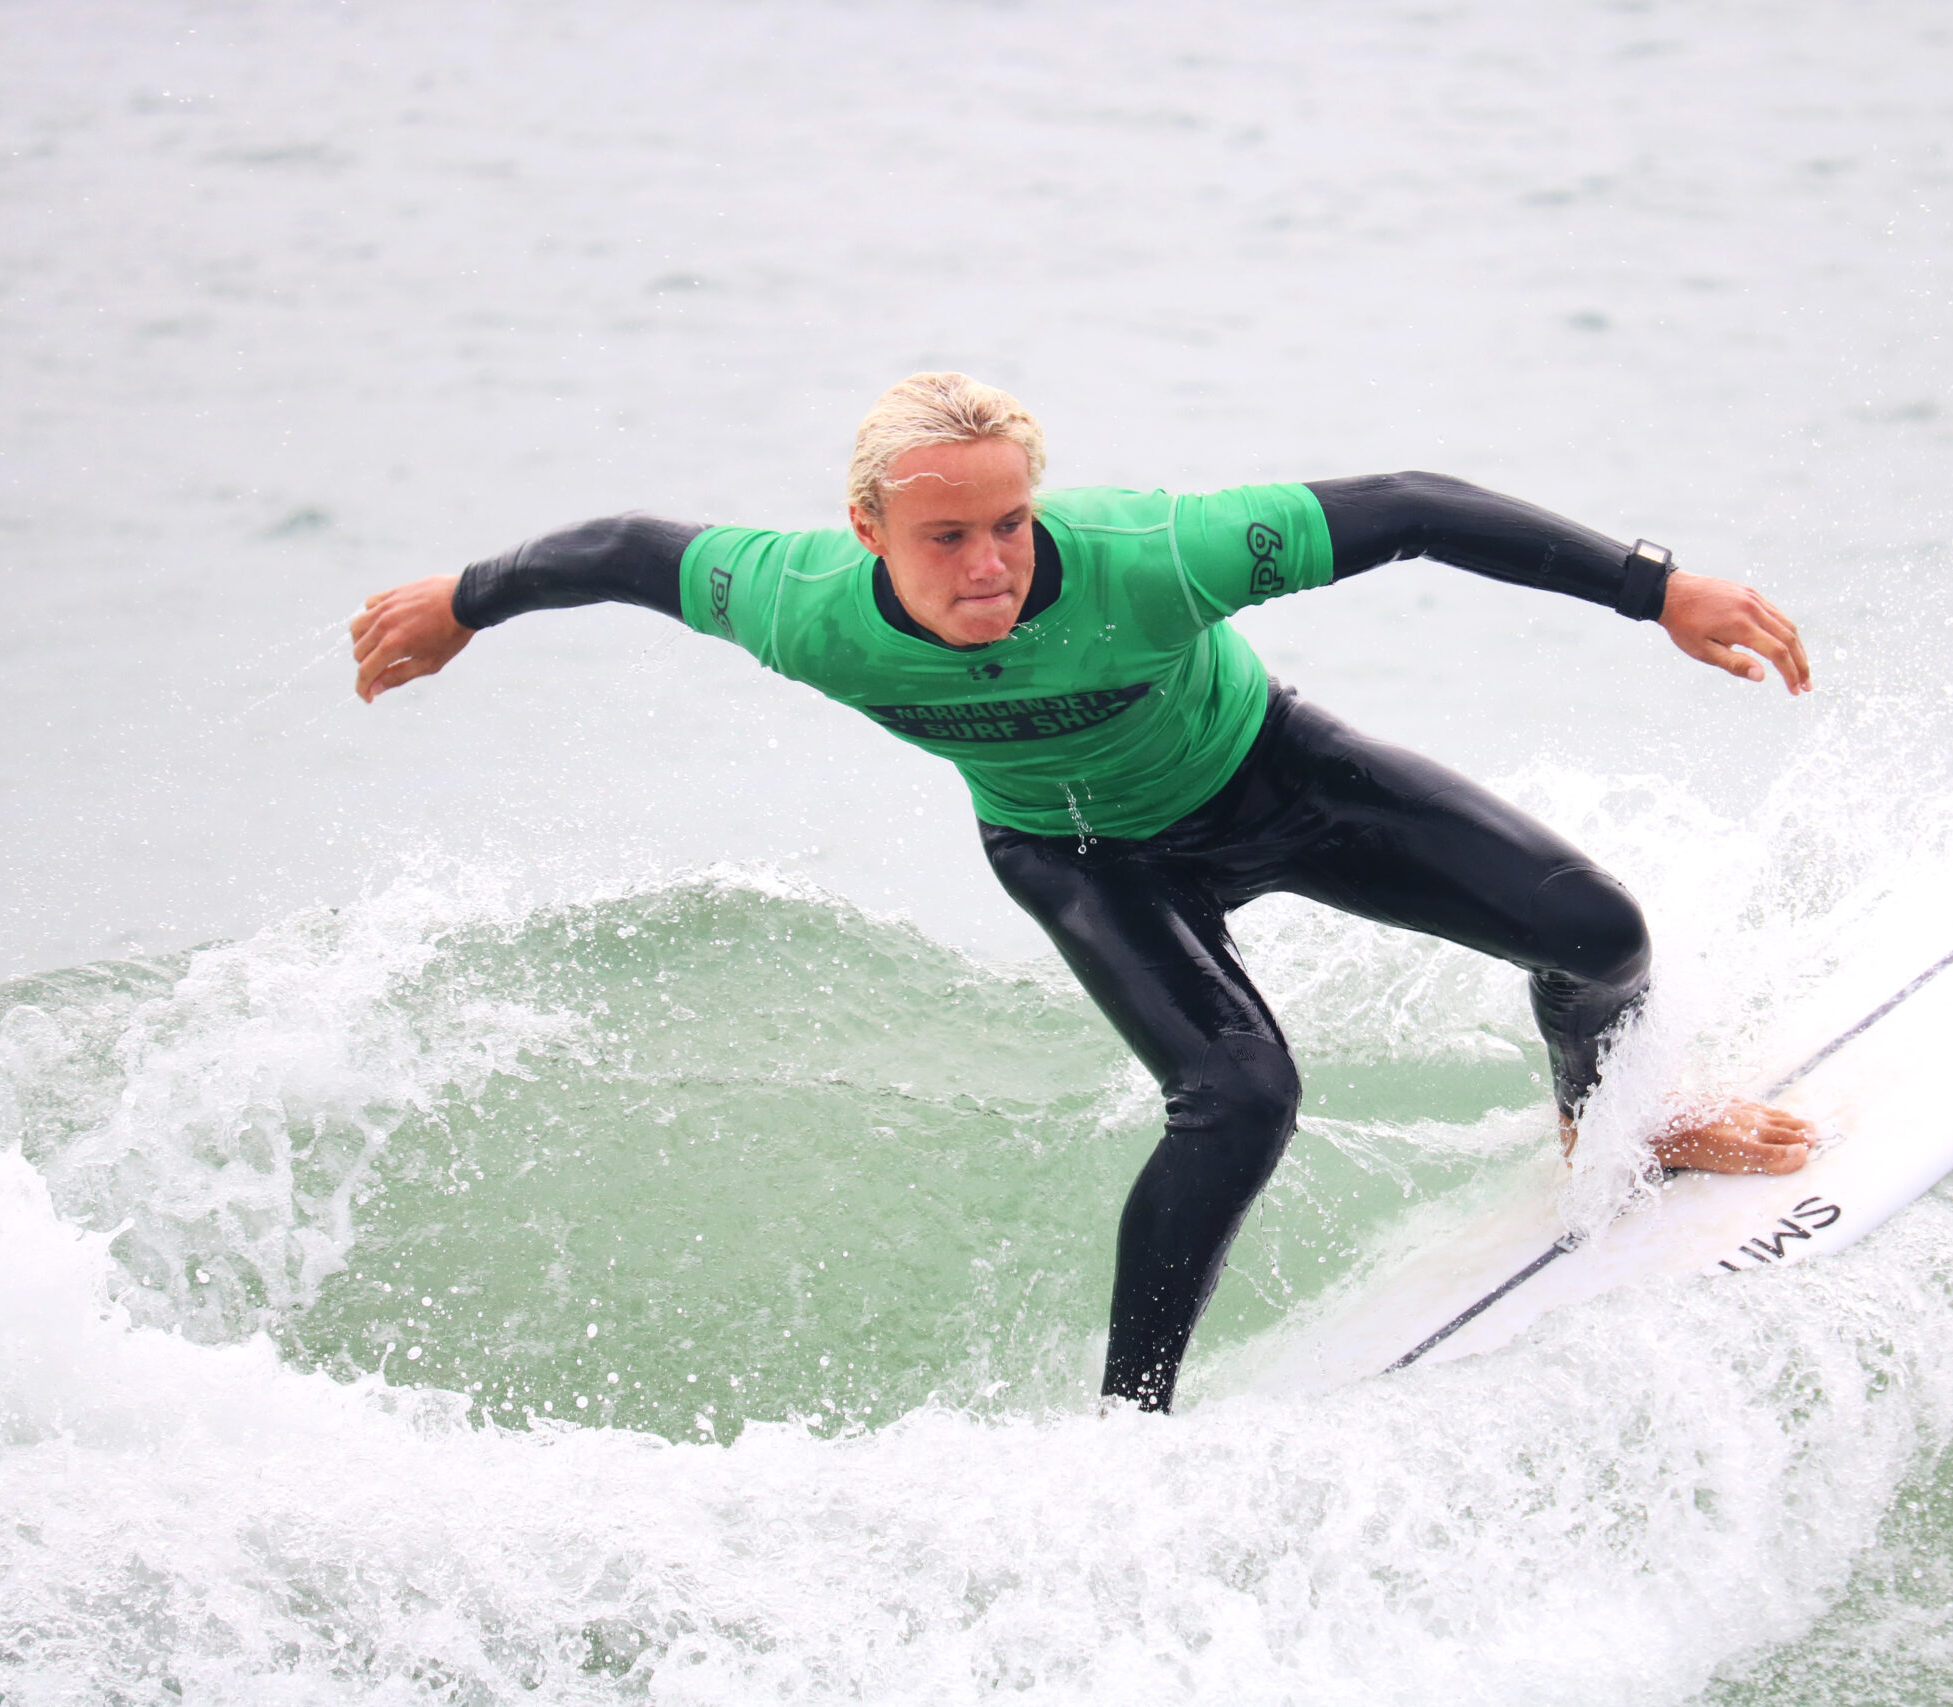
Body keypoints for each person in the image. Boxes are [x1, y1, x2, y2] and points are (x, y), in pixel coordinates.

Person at [351, 372, 1817, 1412]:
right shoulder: (795, 605)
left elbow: (1415, 506)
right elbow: (618, 551)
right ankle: (1132, 1424)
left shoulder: (1150, 558)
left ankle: (1616, 1121)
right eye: (946, 537)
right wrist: (459, 602)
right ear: (867, 529)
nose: (992, 564)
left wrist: (1657, 587)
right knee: (1239, 1096)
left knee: (1596, 936)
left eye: (1010, 523)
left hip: (1267, 776)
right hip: (1078, 855)